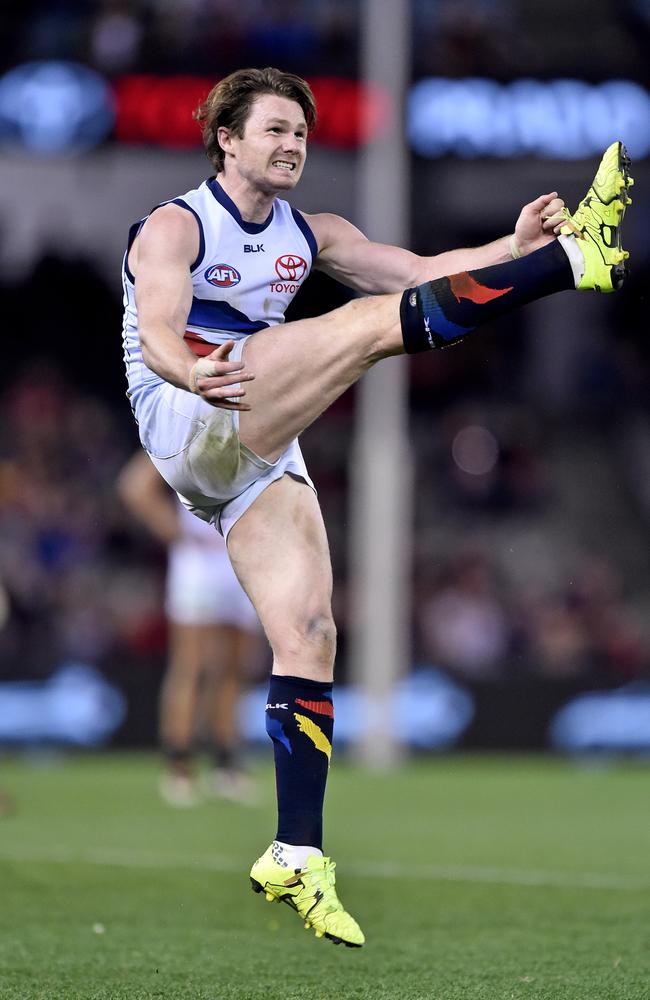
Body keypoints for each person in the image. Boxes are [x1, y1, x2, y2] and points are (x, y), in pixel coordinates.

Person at [121, 66, 632, 947]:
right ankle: (570, 265)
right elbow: (161, 326)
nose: (292, 145)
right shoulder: (177, 222)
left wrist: (508, 244)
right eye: (275, 129)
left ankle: (296, 853)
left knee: (310, 633)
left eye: (302, 134)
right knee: (364, 331)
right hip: (190, 412)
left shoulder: (311, 233)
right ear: (228, 139)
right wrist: (188, 369)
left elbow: (428, 271)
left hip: (255, 446)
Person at [118, 450, 260, 807]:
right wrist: (177, 533)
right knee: (190, 666)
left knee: (235, 667)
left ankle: (227, 763)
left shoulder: (251, 428)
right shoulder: (188, 428)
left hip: (240, 555)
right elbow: (136, 485)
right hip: (200, 560)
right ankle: (179, 766)